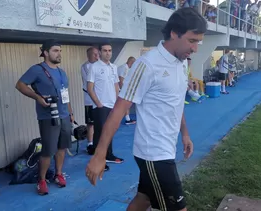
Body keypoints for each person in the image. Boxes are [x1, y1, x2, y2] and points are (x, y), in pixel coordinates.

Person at [85, 7, 207, 211]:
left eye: (198, 42)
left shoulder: (181, 62)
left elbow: (175, 102)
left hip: (166, 148)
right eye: (192, 40)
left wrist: (184, 134)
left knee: (144, 199)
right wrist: (99, 154)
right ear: (174, 33)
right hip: (153, 153)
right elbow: (118, 110)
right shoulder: (147, 65)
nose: (195, 48)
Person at [16, 40, 74, 195]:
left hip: (64, 116)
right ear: (46, 53)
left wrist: (70, 113)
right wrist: (37, 97)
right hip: (48, 117)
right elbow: (20, 84)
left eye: (60, 51)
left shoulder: (62, 72)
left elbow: (65, 94)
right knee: (48, 150)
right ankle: (41, 180)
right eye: (55, 50)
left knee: (62, 147)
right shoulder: (37, 70)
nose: (59, 54)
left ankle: (59, 174)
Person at [87, 43, 124, 164]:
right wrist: (98, 104)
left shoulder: (114, 67)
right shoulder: (94, 67)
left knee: (110, 130)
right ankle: (99, 161)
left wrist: (118, 102)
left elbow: (116, 86)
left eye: (110, 50)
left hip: (113, 105)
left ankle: (109, 155)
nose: (108, 53)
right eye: (105, 51)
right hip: (101, 106)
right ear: (100, 53)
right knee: (100, 133)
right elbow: (90, 88)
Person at [81, 47, 99, 155]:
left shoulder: (101, 66)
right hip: (89, 99)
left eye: (97, 54)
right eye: (94, 54)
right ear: (88, 56)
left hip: (101, 100)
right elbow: (92, 83)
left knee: (101, 122)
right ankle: (90, 144)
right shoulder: (86, 66)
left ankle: (99, 143)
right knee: (90, 123)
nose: (97, 57)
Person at [117, 56, 137, 125]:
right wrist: (123, 91)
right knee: (124, 104)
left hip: (120, 89)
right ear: (131, 62)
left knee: (125, 104)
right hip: (119, 89)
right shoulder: (124, 68)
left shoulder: (126, 68)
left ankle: (127, 119)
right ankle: (127, 120)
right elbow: (120, 80)